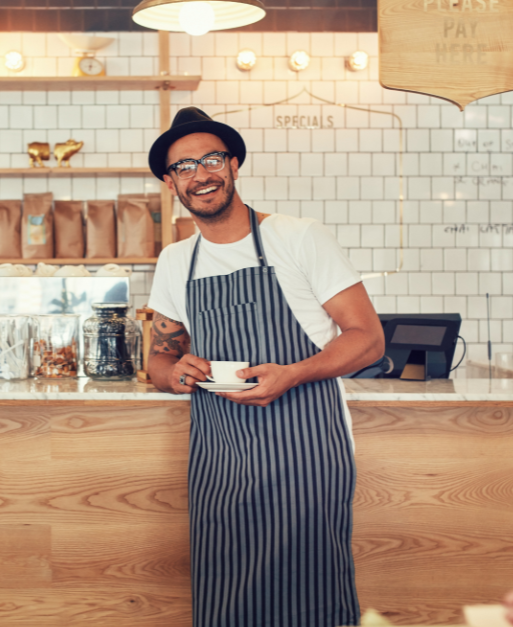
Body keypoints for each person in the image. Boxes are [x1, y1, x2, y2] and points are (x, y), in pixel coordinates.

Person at [145, 107, 385, 626]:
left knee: (310, 591)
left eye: (211, 159)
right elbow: (158, 358)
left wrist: (293, 373)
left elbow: (368, 340)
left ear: (233, 165)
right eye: (184, 167)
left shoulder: (299, 237)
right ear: (170, 183)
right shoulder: (175, 261)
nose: (200, 174)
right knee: (225, 592)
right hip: (220, 455)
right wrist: (174, 373)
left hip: (305, 449)